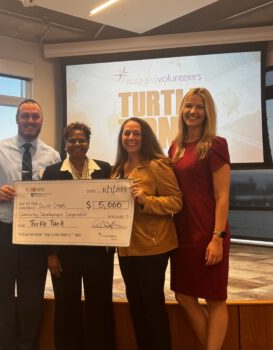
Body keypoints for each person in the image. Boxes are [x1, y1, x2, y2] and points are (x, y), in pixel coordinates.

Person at [0, 99, 60, 350]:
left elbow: (58, 196)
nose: (30, 121)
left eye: (35, 117)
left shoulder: (52, 156)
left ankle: (27, 346)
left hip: (35, 236)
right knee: (1, 298)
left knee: (32, 299)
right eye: (25, 116)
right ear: (17, 119)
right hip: (1, 233)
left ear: (41, 120)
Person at [112, 117, 182, 350]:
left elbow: (176, 202)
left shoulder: (157, 165)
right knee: (136, 307)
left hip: (153, 247)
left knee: (152, 307)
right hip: (126, 248)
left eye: (136, 133)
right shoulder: (117, 170)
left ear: (145, 137)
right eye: (126, 133)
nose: (130, 138)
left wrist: (145, 200)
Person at [169, 87, 231, 350]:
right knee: (183, 294)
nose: (193, 112)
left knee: (215, 299)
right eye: (188, 106)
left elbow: (223, 197)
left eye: (199, 107)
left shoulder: (216, 145)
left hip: (208, 231)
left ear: (207, 113)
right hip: (181, 233)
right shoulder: (175, 147)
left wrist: (217, 238)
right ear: (182, 110)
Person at [43, 122, 115, 350]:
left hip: (98, 251)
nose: (77, 144)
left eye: (81, 140)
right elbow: (46, 213)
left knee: (100, 304)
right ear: (65, 144)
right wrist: (51, 253)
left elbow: (113, 208)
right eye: (72, 140)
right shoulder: (52, 172)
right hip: (65, 253)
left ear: (88, 143)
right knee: (66, 305)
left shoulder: (105, 169)